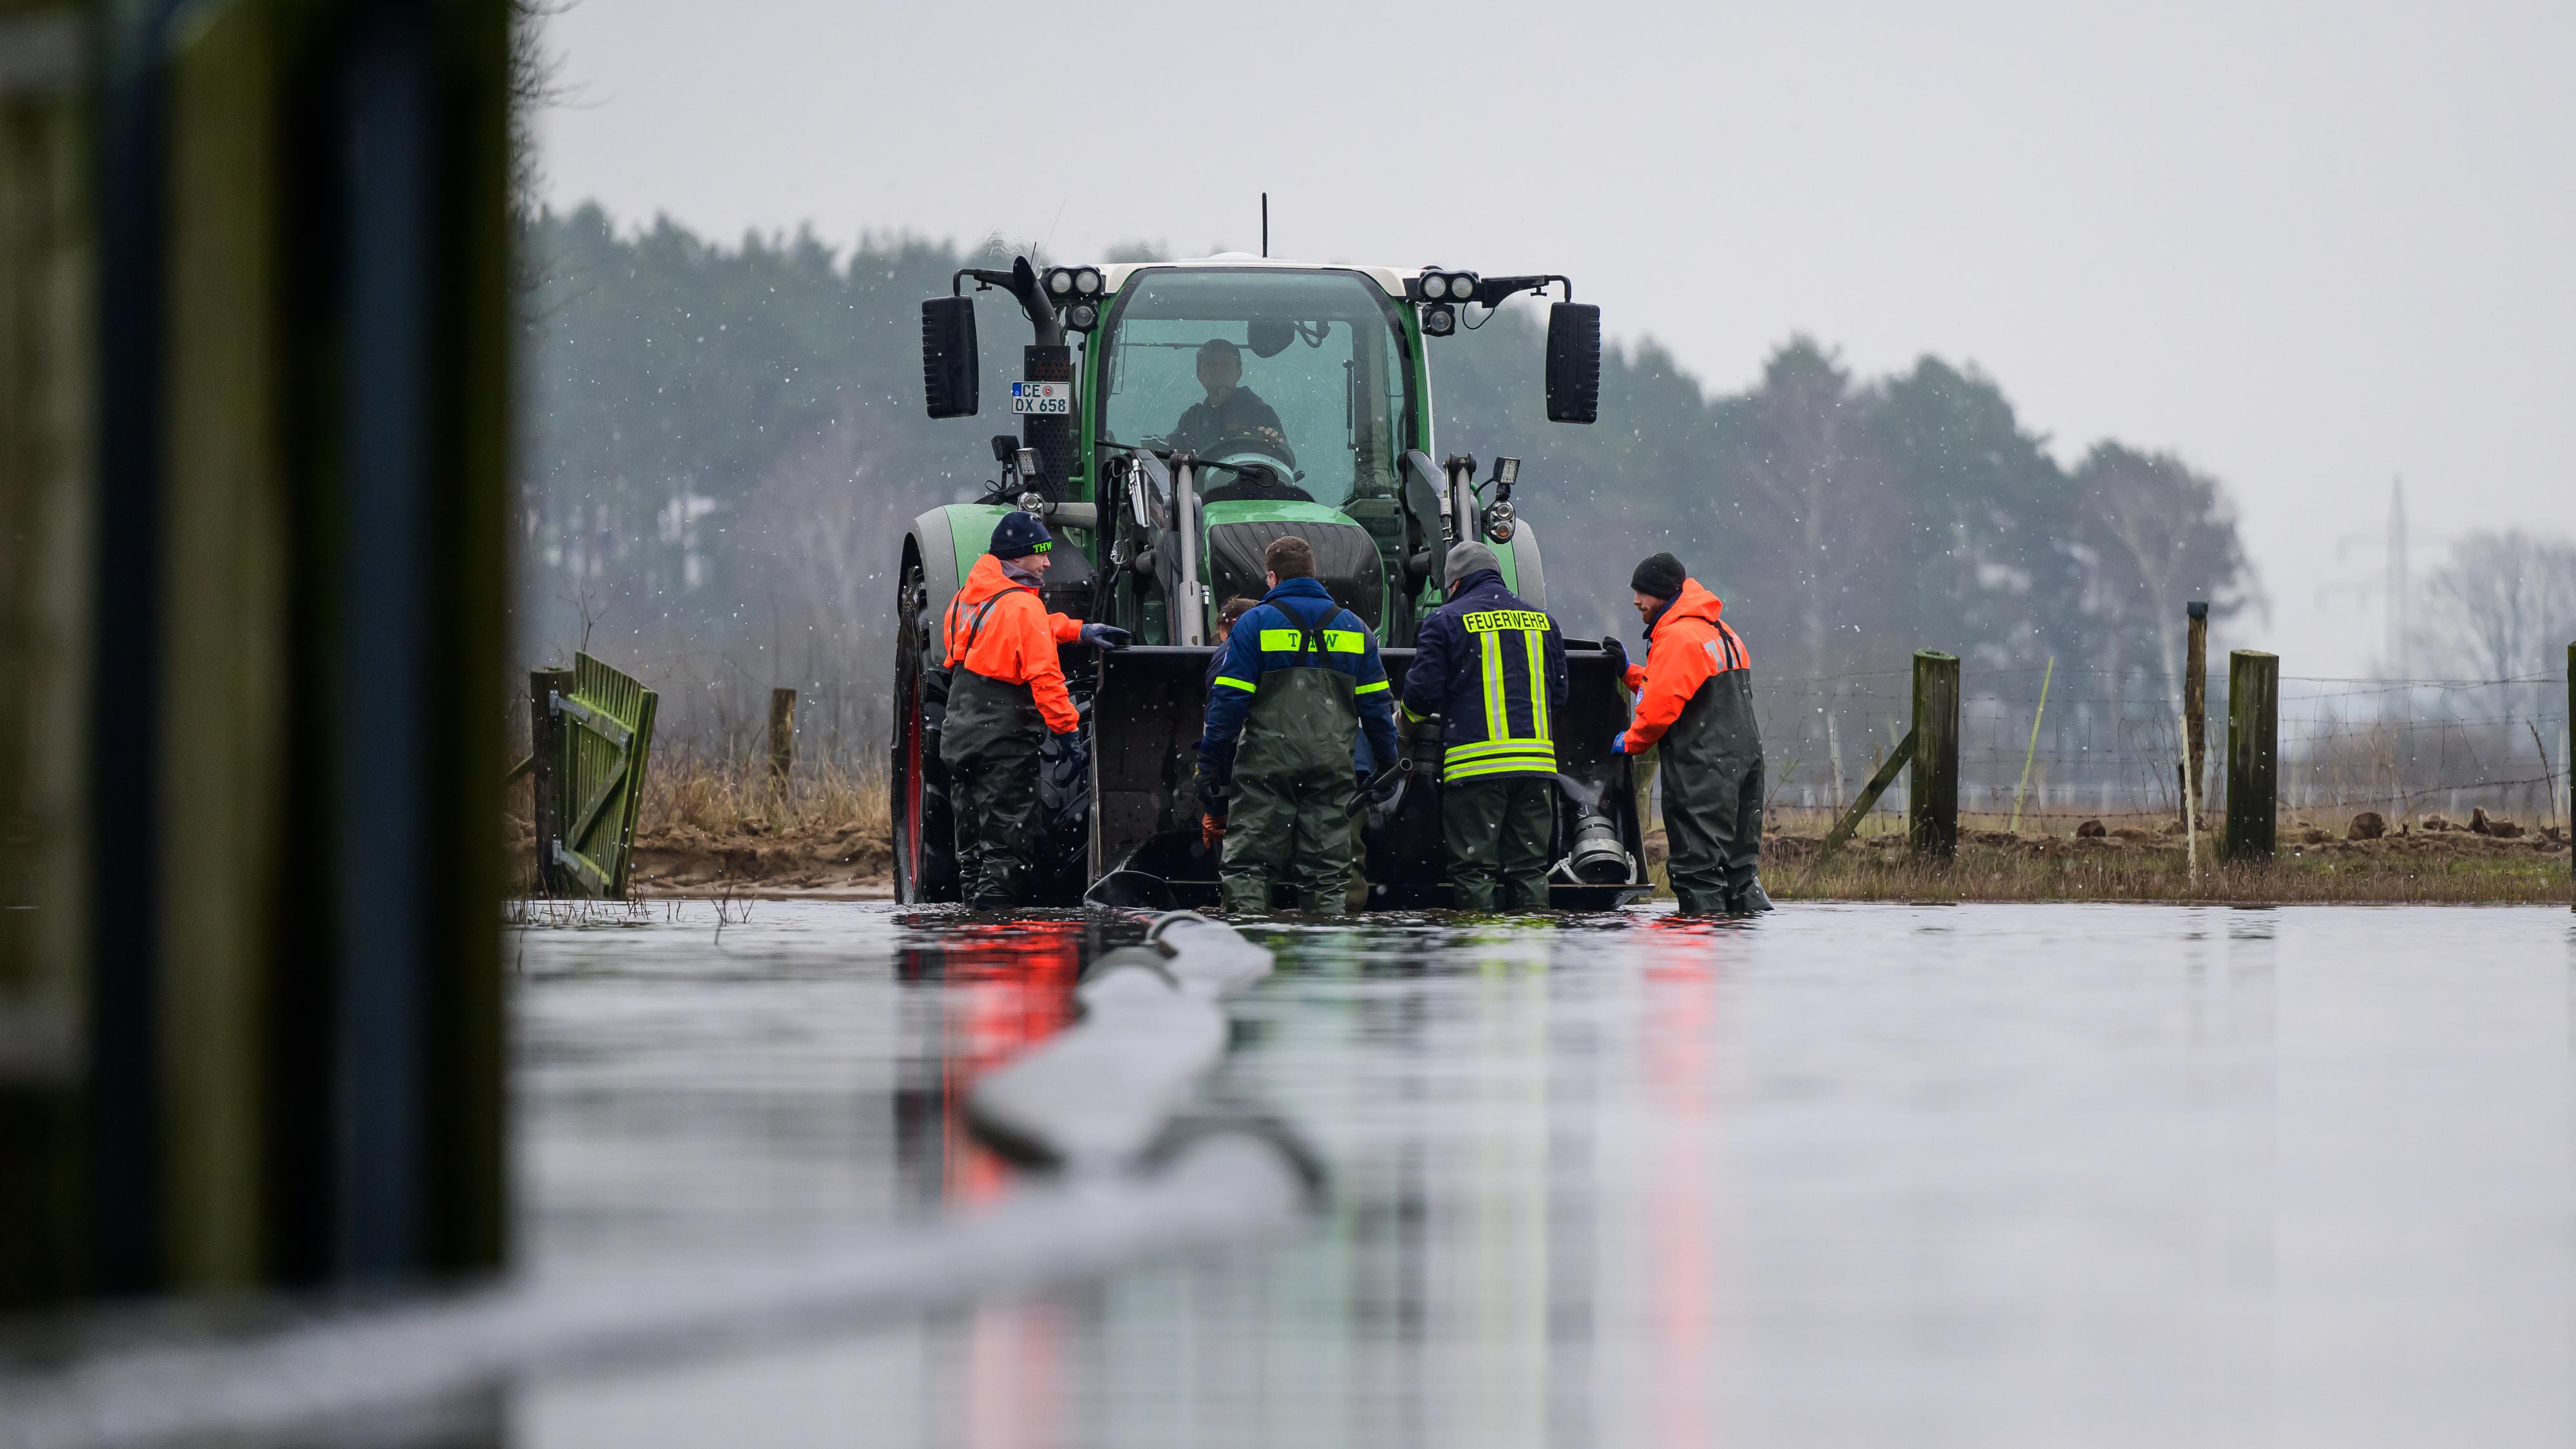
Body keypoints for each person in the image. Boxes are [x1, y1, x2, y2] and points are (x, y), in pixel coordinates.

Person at [1196, 536, 1399, 914]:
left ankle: (1248, 949)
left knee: (1249, 868)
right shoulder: (1357, 630)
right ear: (1313, 574)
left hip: (1267, 765)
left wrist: (1208, 765)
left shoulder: (1254, 624)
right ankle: (1322, 957)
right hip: (1331, 767)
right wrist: (1388, 765)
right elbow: (1377, 709)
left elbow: (1228, 704)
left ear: (1272, 578)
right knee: (1327, 873)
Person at [937, 511, 1128, 908]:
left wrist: (1077, 630)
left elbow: (1010, 628)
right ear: (1017, 558)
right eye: (1040, 554)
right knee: (1008, 845)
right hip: (1003, 742)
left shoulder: (966, 599)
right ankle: (996, 933)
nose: (1047, 562)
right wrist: (1068, 732)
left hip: (961, 736)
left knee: (971, 845)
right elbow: (1045, 678)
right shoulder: (1022, 609)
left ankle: (970, 929)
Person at [1401, 540, 1567, 911]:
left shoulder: (1445, 620)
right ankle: (1531, 951)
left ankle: (1478, 959)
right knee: (1528, 868)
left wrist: (1404, 725)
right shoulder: (1544, 622)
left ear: (1455, 584)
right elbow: (1558, 695)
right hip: (1536, 768)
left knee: (1475, 870)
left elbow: (1421, 695)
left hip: (1477, 769)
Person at [1614, 551, 1772, 916]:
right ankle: (1743, 948)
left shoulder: (1678, 636)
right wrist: (1630, 672)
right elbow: (1681, 687)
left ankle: (1701, 945)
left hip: (1704, 770)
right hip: (1744, 766)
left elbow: (1659, 710)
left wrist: (1631, 742)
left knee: (1697, 870)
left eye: (1643, 593)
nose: (1636, 601)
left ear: (1664, 594)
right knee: (1740, 871)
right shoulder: (1719, 630)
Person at [1166, 339, 1294, 468]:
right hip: (1195, 488)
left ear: (1239, 371)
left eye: (1226, 363)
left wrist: (1270, 447)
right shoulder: (1191, 419)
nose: (1218, 369)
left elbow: (1283, 460)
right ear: (1199, 374)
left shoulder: (1259, 413)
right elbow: (1167, 458)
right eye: (1210, 364)